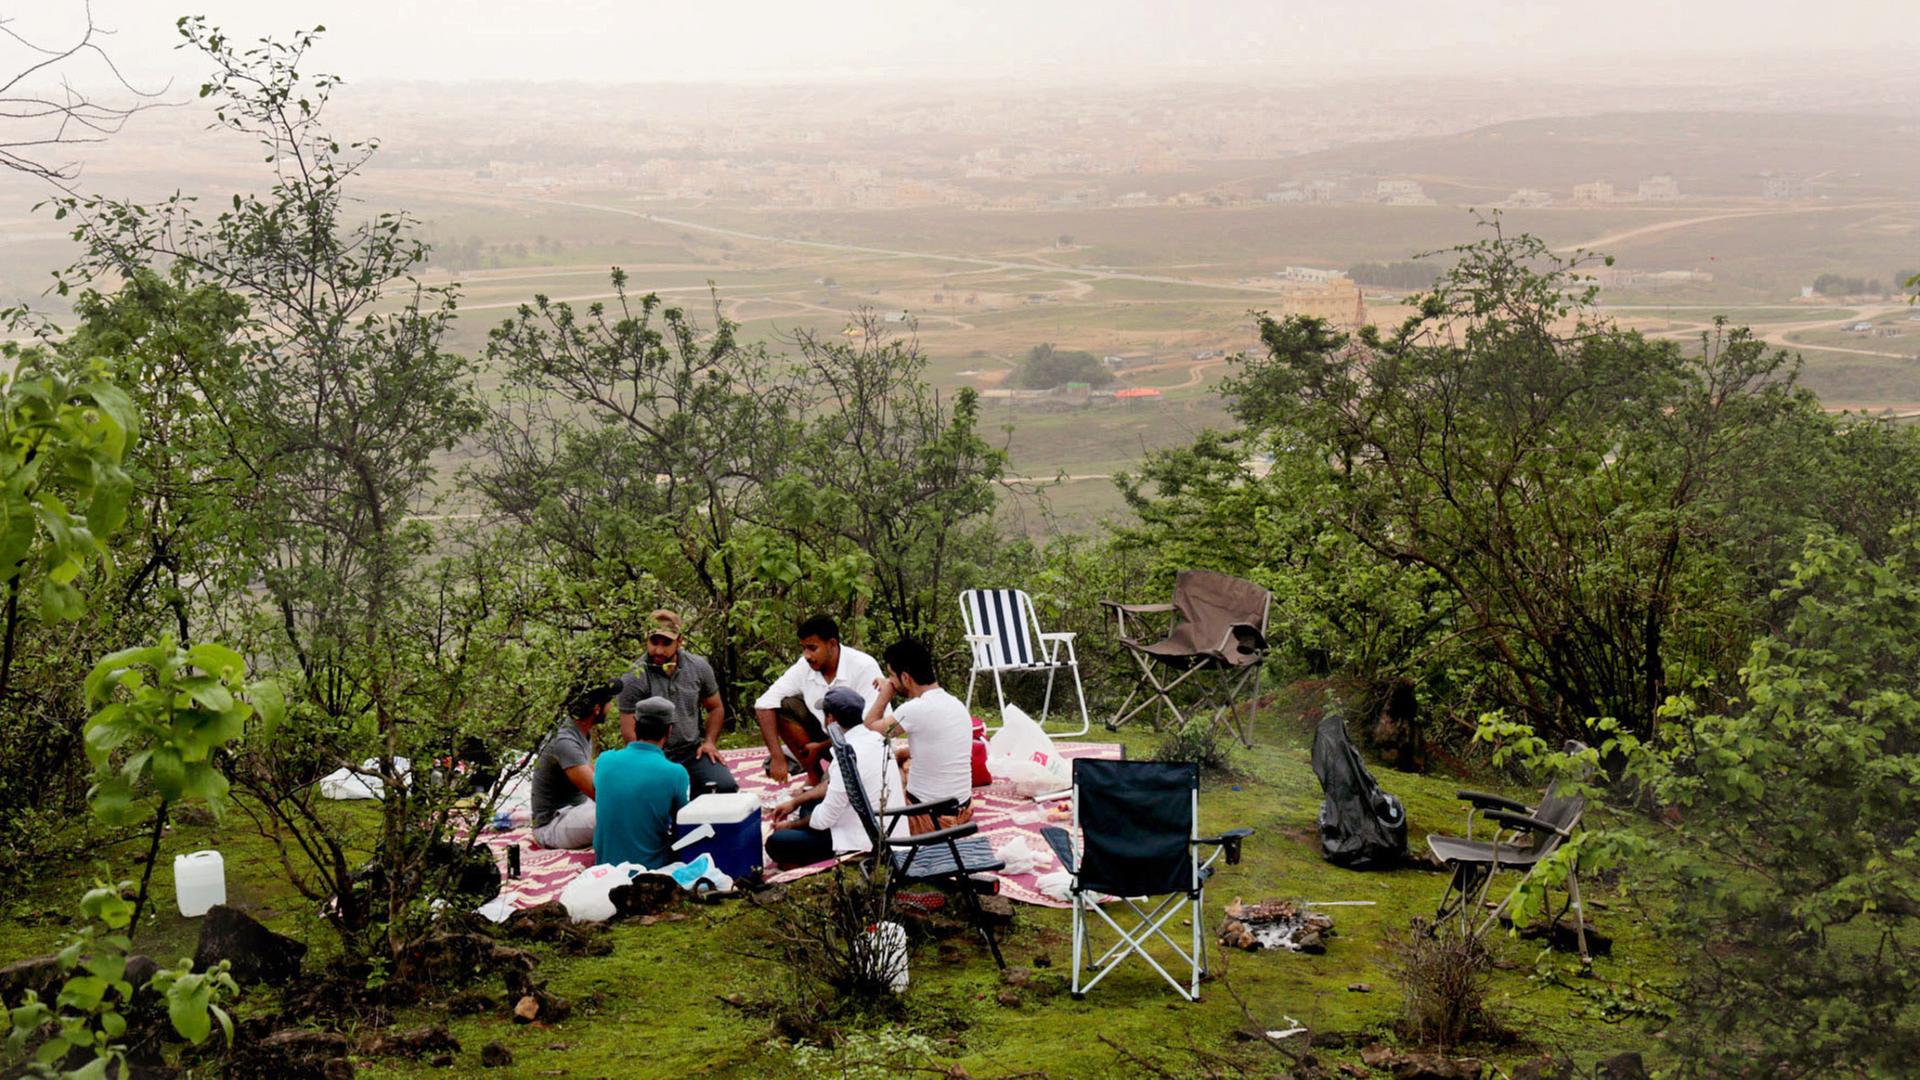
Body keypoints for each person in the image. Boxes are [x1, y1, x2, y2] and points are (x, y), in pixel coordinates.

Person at [765, 686, 907, 868]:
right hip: (887, 827)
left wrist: (792, 826)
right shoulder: (876, 740)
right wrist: (796, 802)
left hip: (864, 841)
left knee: (777, 842)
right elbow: (832, 786)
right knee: (808, 803)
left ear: (830, 719)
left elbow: (823, 820)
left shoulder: (847, 755)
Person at [616, 609, 738, 796]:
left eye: (666, 643)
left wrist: (710, 742)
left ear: (679, 641)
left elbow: (715, 707)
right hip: (652, 755)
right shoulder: (634, 677)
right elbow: (628, 731)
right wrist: (651, 761)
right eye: (654, 642)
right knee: (658, 797)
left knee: (724, 787)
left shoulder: (698, 667)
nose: (659, 650)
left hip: (692, 751)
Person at [752, 614, 886, 785]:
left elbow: (868, 727)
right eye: (803, 648)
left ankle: (827, 783)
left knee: (824, 802)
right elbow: (764, 704)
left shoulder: (863, 666)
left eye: (812, 648)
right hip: (828, 738)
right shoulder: (804, 666)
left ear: (831, 644)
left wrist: (820, 747)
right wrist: (777, 757)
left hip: (864, 746)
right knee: (786, 705)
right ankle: (814, 776)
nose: (806, 655)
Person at [864, 637, 976, 835]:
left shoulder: (915, 709)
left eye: (892, 676)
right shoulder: (955, 704)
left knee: (883, 772)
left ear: (906, 678)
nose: (890, 681)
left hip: (929, 818)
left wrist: (885, 694)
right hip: (962, 810)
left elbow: (869, 730)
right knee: (903, 760)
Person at [593, 696, 691, 868]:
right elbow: (683, 825)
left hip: (605, 869)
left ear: (635, 725)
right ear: (669, 730)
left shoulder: (604, 761)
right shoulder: (675, 773)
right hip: (650, 872)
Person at [529, 679, 621, 850]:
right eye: (609, 703)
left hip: (576, 809)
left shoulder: (580, 729)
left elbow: (590, 771)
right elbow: (601, 795)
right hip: (552, 825)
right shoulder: (565, 740)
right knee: (618, 814)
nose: (611, 708)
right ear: (596, 709)